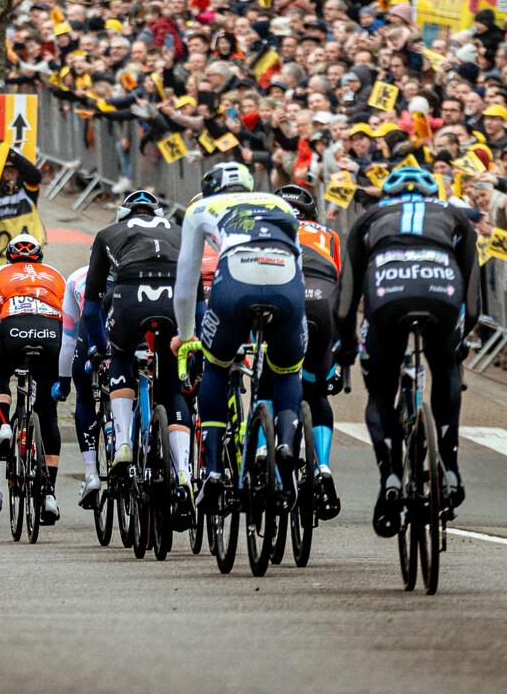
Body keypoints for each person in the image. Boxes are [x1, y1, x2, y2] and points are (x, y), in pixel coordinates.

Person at [337, 165, 482, 538]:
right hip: (441, 297)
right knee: (447, 368)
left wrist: (348, 348)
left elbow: (345, 297)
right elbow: (473, 295)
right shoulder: (454, 216)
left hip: (388, 300)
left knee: (381, 391)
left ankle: (389, 477)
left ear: (386, 197)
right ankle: (449, 466)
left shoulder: (370, 217)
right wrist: (461, 340)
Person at [176, 164, 308, 525]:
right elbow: (299, 261)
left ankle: (215, 471)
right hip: (286, 283)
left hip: (235, 279)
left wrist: (187, 335)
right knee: (287, 369)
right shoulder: (277, 203)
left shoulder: (201, 208)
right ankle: (283, 441)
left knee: (217, 364)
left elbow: (186, 281)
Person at [79, 186, 190, 517]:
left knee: (122, 356)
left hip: (130, 297)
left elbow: (91, 308)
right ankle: (183, 471)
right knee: (172, 385)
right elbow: (197, 292)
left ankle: (124, 444)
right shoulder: (179, 232)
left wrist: (102, 349)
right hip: (175, 298)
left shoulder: (107, 233)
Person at [0, 235, 66, 527]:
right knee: (47, 411)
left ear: (9, 258)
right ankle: (50, 494)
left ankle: (3, 424)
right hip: (53, 332)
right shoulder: (56, 274)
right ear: (38, 258)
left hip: (13, 329)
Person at [280, 182, 344, 519]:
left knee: (271, 381)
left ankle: (269, 455)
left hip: (285, 298)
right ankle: (323, 468)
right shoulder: (328, 235)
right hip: (323, 303)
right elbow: (338, 282)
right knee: (319, 392)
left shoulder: (269, 227)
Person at [57, 262, 104, 510]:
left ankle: (91, 474)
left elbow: (68, 338)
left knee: (84, 397)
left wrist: (64, 383)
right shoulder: (141, 265)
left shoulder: (77, 276)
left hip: (91, 328)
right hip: (129, 321)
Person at [0, 145, 43, 273]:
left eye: (14, 171)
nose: (10, 175)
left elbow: (36, 177)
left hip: (27, 261)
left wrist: (8, 152)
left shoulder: (27, 192)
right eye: (6, 171)